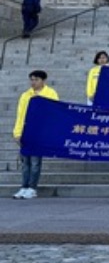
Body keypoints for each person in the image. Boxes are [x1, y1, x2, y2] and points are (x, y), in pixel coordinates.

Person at [12, 70, 60, 199]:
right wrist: (17, 132)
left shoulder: (50, 93)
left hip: (39, 131)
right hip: (26, 131)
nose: (33, 82)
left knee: (35, 162)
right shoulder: (26, 95)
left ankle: (32, 188)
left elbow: (54, 113)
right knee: (25, 162)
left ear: (43, 81)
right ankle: (24, 186)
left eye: (36, 79)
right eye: (32, 79)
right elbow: (20, 115)